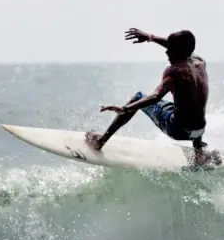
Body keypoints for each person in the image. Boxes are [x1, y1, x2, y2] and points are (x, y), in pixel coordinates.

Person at [85, 28, 216, 166]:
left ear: (178, 51)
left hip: (177, 130)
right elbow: (181, 49)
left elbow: (155, 97)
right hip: (199, 130)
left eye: (170, 49)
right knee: (192, 104)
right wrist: (150, 37)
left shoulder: (174, 72)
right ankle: (198, 152)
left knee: (139, 97)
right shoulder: (200, 63)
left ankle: (100, 142)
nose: (166, 51)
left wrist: (125, 109)